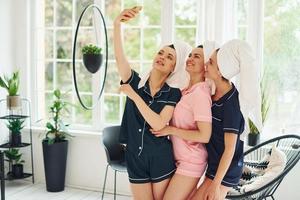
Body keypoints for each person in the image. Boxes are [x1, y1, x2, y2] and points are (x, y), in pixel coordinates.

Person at [113, 6, 191, 200]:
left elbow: (158, 123)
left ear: (174, 67)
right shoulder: (134, 82)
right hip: (134, 157)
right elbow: (119, 58)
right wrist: (116, 25)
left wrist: (134, 96)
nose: (162, 57)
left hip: (160, 158)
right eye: (161, 53)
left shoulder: (172, 93)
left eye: (169, 57)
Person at [191, 39, 262, 200]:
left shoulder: (231, 104)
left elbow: (230, 150)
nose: (205, 64)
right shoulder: (214, 92)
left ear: (220, 71)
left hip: (225, 171)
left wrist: (216, 185)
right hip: (215, 166)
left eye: (210, 62)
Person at [151, 44, 213, 200]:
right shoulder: (185, 91)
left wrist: (170, 130)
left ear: (205, 66)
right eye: (190, 55)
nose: (190, 59)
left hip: (191, 161)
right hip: (178, 158)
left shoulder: (200, 94)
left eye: (196, 56)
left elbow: (205, 135)